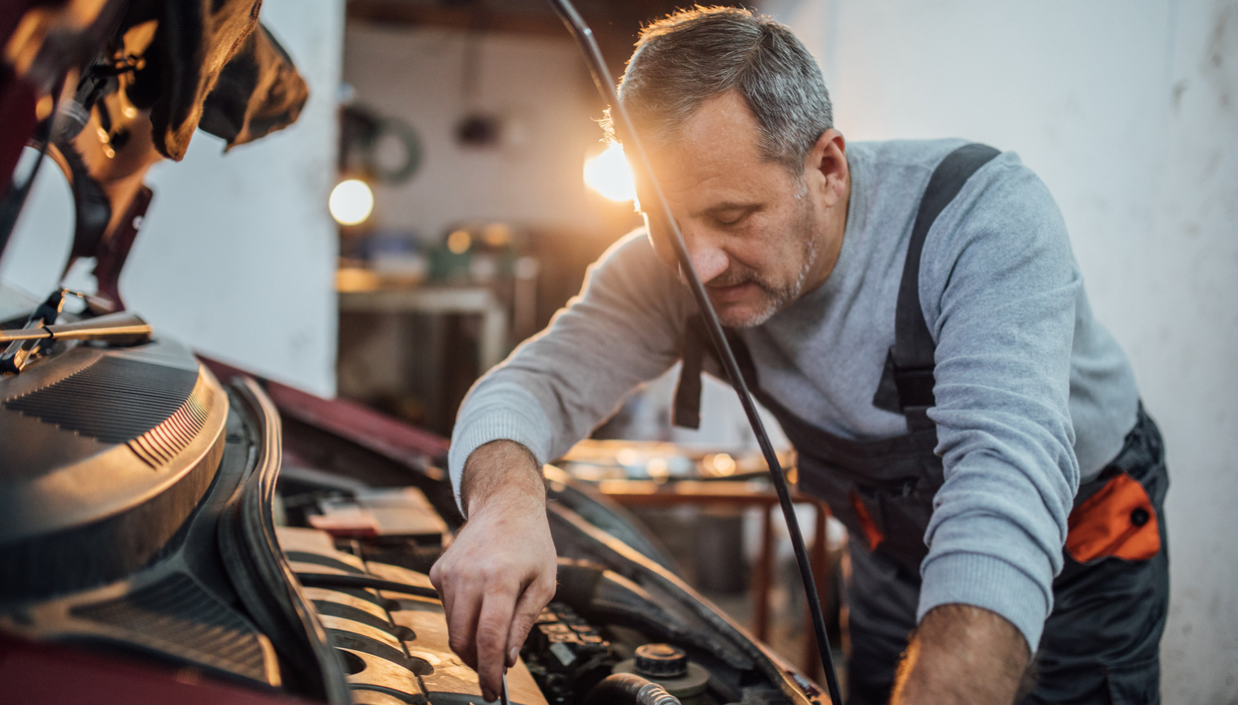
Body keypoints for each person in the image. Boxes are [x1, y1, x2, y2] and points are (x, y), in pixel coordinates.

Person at [428, 7, 1169, 705]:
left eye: (732, 216)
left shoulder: (980, 220)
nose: (699, 264)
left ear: (828, 167)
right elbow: (532, 385)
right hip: (889, 557)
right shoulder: (665, 270)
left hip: (1082, 545)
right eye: (661, 219)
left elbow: (1001, 486)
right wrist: (506, 504)